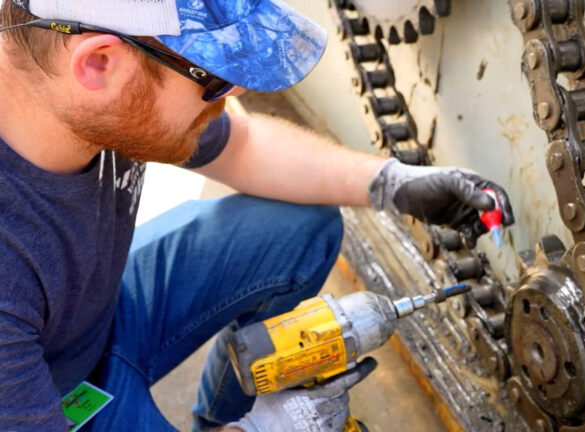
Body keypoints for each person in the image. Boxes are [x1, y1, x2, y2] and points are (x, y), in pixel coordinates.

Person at [0, 0, 514, 431]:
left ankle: (223, 411)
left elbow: (240, 147)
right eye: (215, 77)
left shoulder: (71, 88)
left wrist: (392, 183)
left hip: (100, 308)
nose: (237, 92)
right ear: (99, 65)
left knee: (301, 230)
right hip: (51, 396)